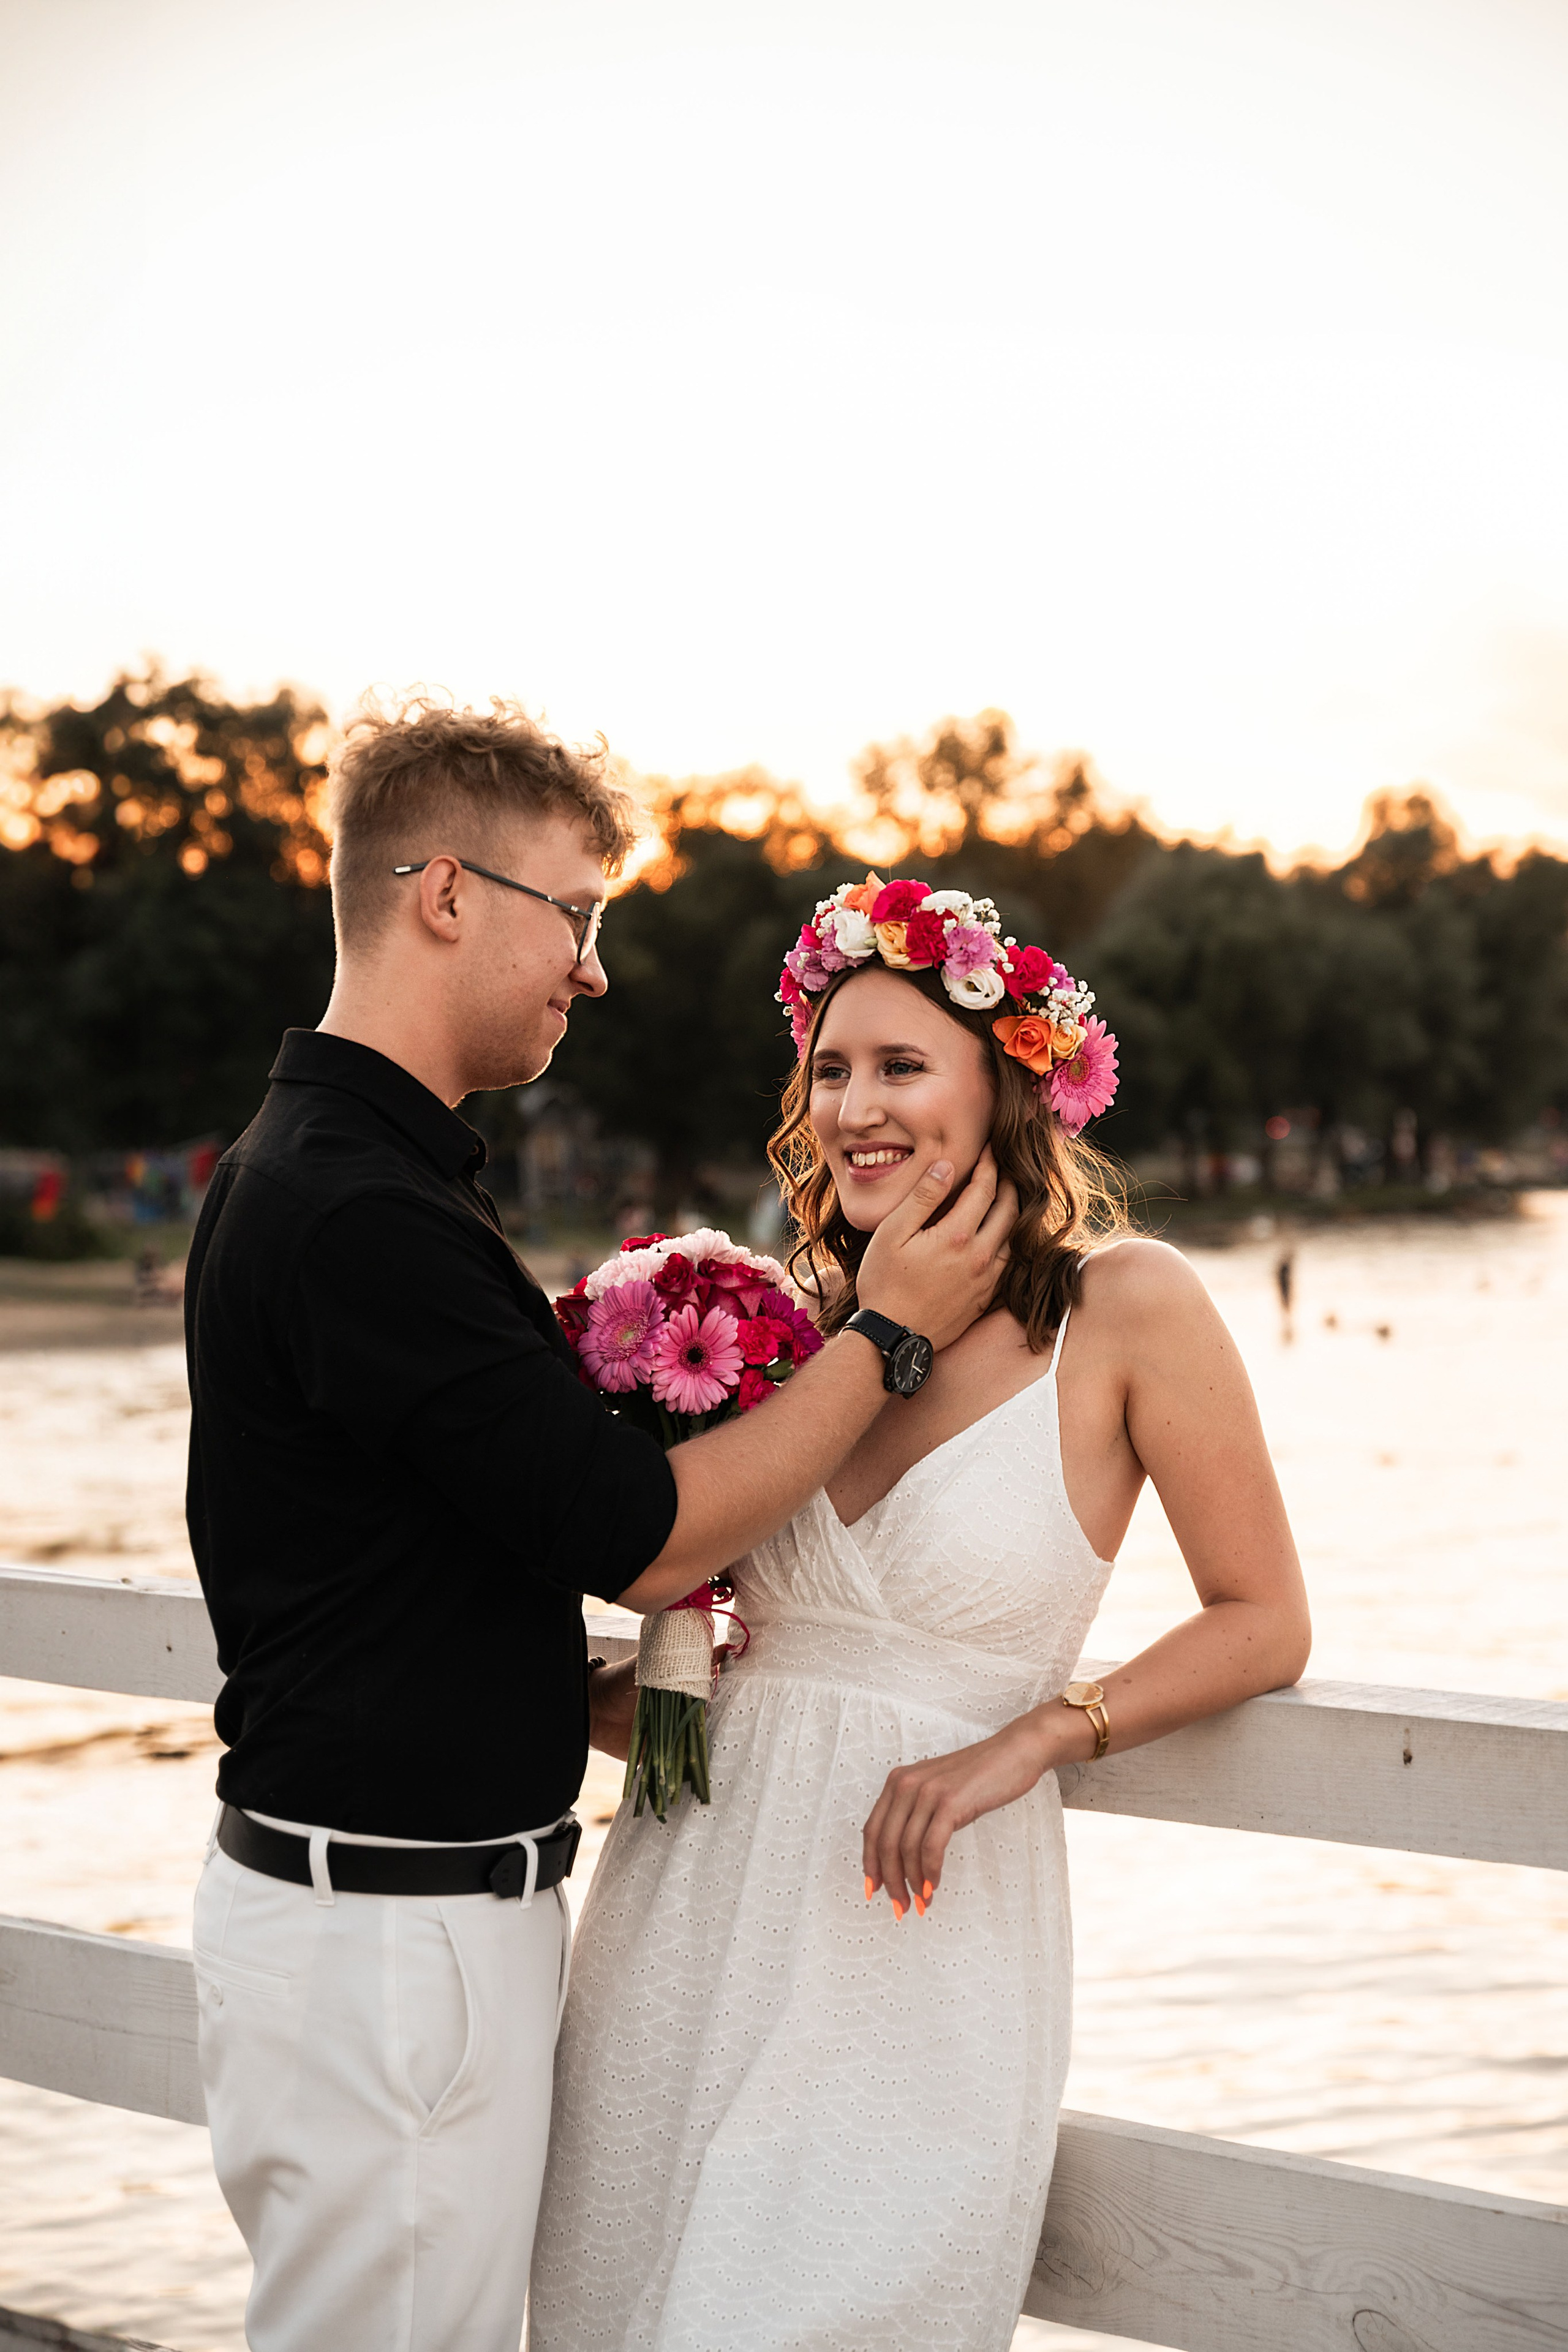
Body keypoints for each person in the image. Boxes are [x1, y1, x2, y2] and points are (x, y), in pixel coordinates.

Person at [184, 725, 1012, 2352]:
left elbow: (355, 1560)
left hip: (373, 1924)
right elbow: (641, 1536)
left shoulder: (318, 1170)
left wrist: (558, 1695)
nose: (593, 969)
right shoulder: (361, 1210)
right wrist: (889, 1340)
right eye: (573, 915)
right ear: (438, 895)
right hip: (393, 1950)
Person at [532, 873, 1311, 2352]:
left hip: (919, 1945)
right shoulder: (775, 1327)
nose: (851, 1106)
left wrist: (1039, 1735)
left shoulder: (1125, 1308)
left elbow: (1262, 1619)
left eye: (899, 1065)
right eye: (829, 1069)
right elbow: (665, 1573)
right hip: (684, 1919)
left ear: (1005, 1082)